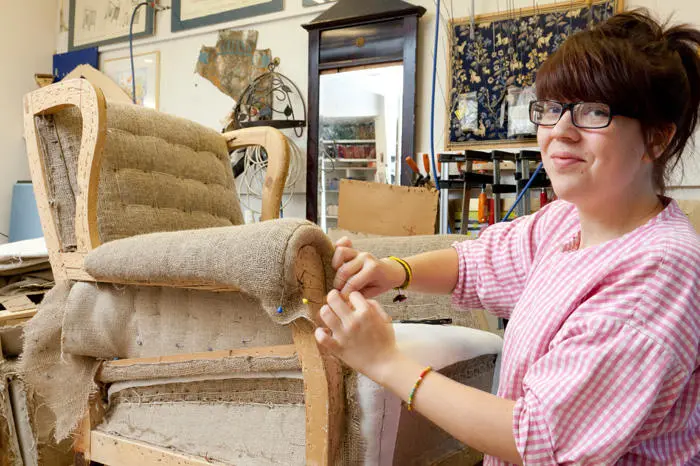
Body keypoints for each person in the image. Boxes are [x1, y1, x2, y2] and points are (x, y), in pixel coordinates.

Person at [314, 10, 700, 465]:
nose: (560, 131)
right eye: (551, 108)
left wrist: (385, 362)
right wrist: (393, 271)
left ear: (656, 139)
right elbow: (477, 264)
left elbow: (539, 439)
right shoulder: (567, 221)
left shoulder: (659, 272)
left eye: (594, 111)